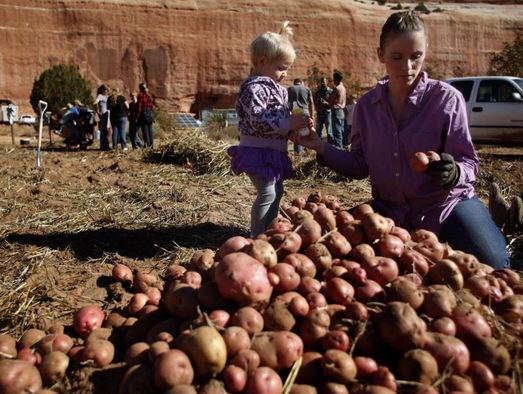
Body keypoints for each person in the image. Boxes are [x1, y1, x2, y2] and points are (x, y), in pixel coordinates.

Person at [292, 10, 509, 269]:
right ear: (381, 55)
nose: (408, 67)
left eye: (416, 56)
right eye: (397, 57)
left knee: (495, 263)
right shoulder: (366, 107)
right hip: (389, 211)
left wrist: (454, 172)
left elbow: (469, 162)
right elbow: (360, 165)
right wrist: (321, 147)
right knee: (329, 252)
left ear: (425, 51)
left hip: (446, 206)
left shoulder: (446, 100)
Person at [227, 21, 311, 238]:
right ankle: (257, 236)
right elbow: (258, 119)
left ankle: (269, 231)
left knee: (277, 191)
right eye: (281, 68)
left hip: (274, 152)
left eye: (287, 69)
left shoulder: (280, 91)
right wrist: (287, 124)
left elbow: (280, 119)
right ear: (262, 62)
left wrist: (297, 126)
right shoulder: (253, 88)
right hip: (257, 152)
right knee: (267, 192)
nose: (285, 74)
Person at [287, 78, 314, 154]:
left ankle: (298, 154)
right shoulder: (306, 89)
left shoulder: (289, 89)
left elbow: (286, 103)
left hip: (295, 113)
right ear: (301, 82)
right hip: (305, 112)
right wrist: (312, 116)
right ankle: (307, 152)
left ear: (294, 83)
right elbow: (311, 103)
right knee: (307, 133)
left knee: (297, 134)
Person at [328, 71, 347, 148]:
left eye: (334, 79)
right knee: (341, 130)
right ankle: (343, 146)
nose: (333, 80)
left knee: (337, 131)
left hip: (336, 111)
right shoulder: (343, 88)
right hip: (342, 111)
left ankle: (339, 149)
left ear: (336, 79)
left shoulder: (336, 89)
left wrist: (323, 102)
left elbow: (329, 101)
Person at [313, 77, 333, 142]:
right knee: (318, 131)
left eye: (324, 81)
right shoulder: (318, 92)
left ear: (327, 82)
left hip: (328, 113)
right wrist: (318, 101)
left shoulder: (330, 91)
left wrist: (326, 103)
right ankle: (319, 147)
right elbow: (314, 103)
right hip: (320, 113)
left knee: (329, 131)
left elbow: (334, 102)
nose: (322, 83)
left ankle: (331, 147)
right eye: (321, 81)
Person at [136, 82, 154, 148]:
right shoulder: (149, 95)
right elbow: (152, 106)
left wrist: (137, 116)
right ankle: (152, 146)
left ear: (140, 88)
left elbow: (139, 107)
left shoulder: (141, 95)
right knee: (150, 131)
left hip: (143, 114)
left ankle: (148, 147)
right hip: (150, 114)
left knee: (145, 132)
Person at [94, 84, 110, 150]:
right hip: (103, 114)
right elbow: (95, 103)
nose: (107, 91)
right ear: (103, 90)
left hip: (107, 114)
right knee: (103, 130)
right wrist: (98, 112)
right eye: (106, 90)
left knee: (106, 130)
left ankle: (105, 145)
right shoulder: (100, 96)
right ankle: (103, 146)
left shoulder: (105, 96)